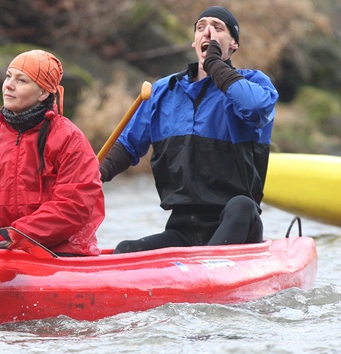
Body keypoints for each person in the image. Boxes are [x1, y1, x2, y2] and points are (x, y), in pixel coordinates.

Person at [100, 6, 278, 253]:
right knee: (125, 249)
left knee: (241, 206)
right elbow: (128, 146)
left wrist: (215, 64)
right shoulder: (163, 90)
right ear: (194, 42)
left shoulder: (254, 83)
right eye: (200, 27)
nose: (207, 32)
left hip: (237, 223)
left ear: (233, 43)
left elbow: (257, 108)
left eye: (217, 27)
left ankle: (208, 269)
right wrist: (93, 175)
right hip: (183, 229)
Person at [0, 50, 104, 256]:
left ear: (43, 93)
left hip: (62, 251)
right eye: (8, 76)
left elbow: (73, 207)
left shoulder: (70, 139)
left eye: (21, 80)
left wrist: (15, 234)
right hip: (6, 250)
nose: (9, 85)